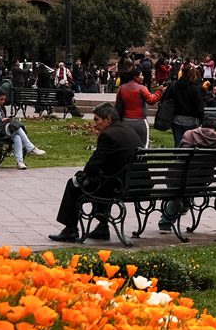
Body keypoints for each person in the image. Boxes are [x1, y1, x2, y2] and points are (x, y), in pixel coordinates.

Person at [50, 102, 145, 242]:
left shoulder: (108, 135)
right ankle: (102, 227)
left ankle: (70, 229)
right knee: (100, 179)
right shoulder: (128, 129)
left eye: (97, 120)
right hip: (138, 185)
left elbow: (94, 164)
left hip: (119, 187)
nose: (94, 124)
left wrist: (83, 174)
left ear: (108, 119)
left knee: (74, 184)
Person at [116, 67, 160, 146]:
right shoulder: (142, 88)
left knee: (127, 145)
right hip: (140, 121)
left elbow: (118, 104)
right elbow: (151, 101)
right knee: (143, 146)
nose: (143, 77)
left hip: (125, 121)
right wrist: (159, 92)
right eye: (141, 75)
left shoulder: (121, 88)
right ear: (135, 77)